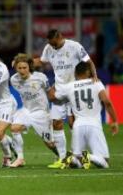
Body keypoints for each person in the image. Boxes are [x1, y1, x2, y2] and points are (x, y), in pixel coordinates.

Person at [34, 29, 98, 168]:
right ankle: (63, 159)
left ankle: (84, 157)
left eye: (54, 43)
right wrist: (25, 61)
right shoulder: (48, 48)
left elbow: (88, 61)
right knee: (56, 123)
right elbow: (41, 61)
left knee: (74, 124)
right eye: (50, 44)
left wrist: (94, 77)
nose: (53, 46)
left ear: (60, 36)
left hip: (74, 89)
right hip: (60, 90)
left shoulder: (74, 46)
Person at [49, 62, 119, 169]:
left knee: (79, 164)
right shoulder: (96, 83)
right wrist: (114, 121)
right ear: (88, 72)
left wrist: (54, 85)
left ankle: (73, 157)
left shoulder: (69, 86)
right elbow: (107, 102)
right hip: (94, 124)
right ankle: (84, 155)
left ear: (75, 73)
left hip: (78, 126)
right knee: (105, 162)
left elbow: (53, 97)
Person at [10, 53, 61, 166]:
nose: (22, 70)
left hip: (41, 112)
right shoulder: (14, 80)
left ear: (30, 67)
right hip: (27, 110)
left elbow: (50, 93)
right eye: (19, 68)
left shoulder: (40, 77)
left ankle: (62, 156)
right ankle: (20, 158)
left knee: (50, 144)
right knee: (14, 128)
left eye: (25, 68)